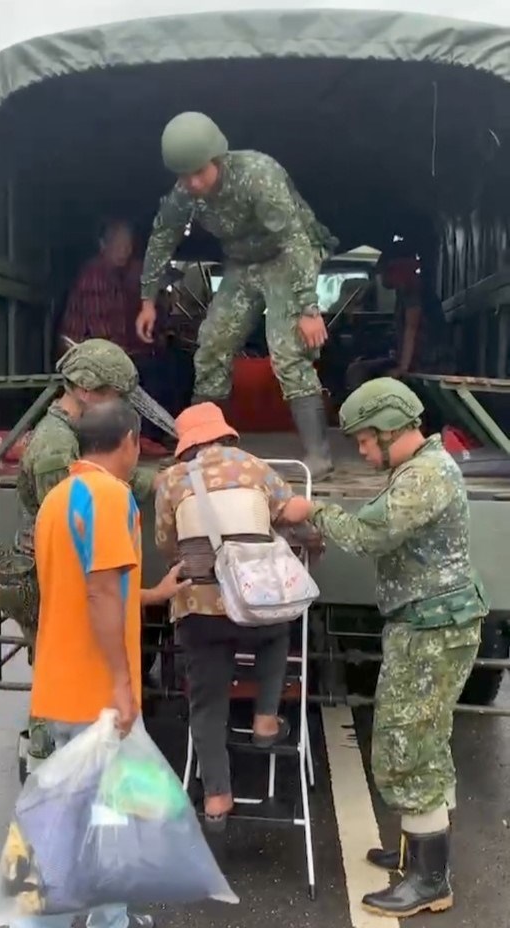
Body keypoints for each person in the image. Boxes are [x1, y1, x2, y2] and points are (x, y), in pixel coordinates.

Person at [291, 378, 487, 918]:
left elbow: (368, 537)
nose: (358, 448)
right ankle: (420, 852)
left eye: (362, 439)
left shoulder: (424, 476)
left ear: (390, 429)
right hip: (428, 625)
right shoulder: (420, 468)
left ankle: (429, 881)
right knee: (428, 739)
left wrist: (309, 511)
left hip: (431, 631)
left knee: (407, 748)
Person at [29, 398, 190, 928]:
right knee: (81, 819)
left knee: (103, 812)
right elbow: (99, 592)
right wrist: (123, 685)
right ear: (130, 442)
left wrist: (151, 594)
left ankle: (111, 915)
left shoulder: (60, 498)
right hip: (95, 689)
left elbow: (91, 588)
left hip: (61, 680)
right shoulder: (108, 495)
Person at [136, 111, 339, 480]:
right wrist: (148, 299)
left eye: (200, 171)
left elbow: (293, 240)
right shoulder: (185, 193)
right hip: (243, 263)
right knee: (211, 345)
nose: (194, 182)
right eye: (185, 175)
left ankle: (318, 455)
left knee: (288, 350)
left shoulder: (258, 175)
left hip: (287, 255)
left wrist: (308, 307)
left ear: (217, 159)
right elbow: (162, 235)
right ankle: (206, 447)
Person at [154, 402, 323, 831]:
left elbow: (165, 544)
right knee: (277, 632)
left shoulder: (171, 480)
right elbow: (288, 513)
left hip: (200, 610)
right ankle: (266, 718)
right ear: (225, 435)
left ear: (187, 444)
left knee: (207, 703)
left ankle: (216, 797)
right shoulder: (256, 468)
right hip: (255, 604)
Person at [16, 338, 170, 761]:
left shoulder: (74, 448)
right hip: (61, 590)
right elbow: (94, 578)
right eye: (112, 396)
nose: (115, 405)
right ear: (85, 390)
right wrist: (121, 682)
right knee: (71, 745)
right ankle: (47, 756)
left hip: (73, 592)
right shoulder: (54, 449)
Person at [59, 218, 173, 454]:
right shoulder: (95, 275)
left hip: (114, 351)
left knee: (168, 365)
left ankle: (149, 438)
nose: (125, 250)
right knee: (150, 374)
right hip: (86, 357)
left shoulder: (124, 273)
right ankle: (142, 439)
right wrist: (136, 355)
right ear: (103, 244)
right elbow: (105, 338)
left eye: (128, 245)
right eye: (118, 244)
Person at [345, 240, 454, 392]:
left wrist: (402, 369)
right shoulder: (404, 293)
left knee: (361, 372)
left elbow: (412, 329)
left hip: (430, 363)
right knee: (356, 369)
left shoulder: (413, 291)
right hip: (415, 360)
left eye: (385, 271)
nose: (382, 276)